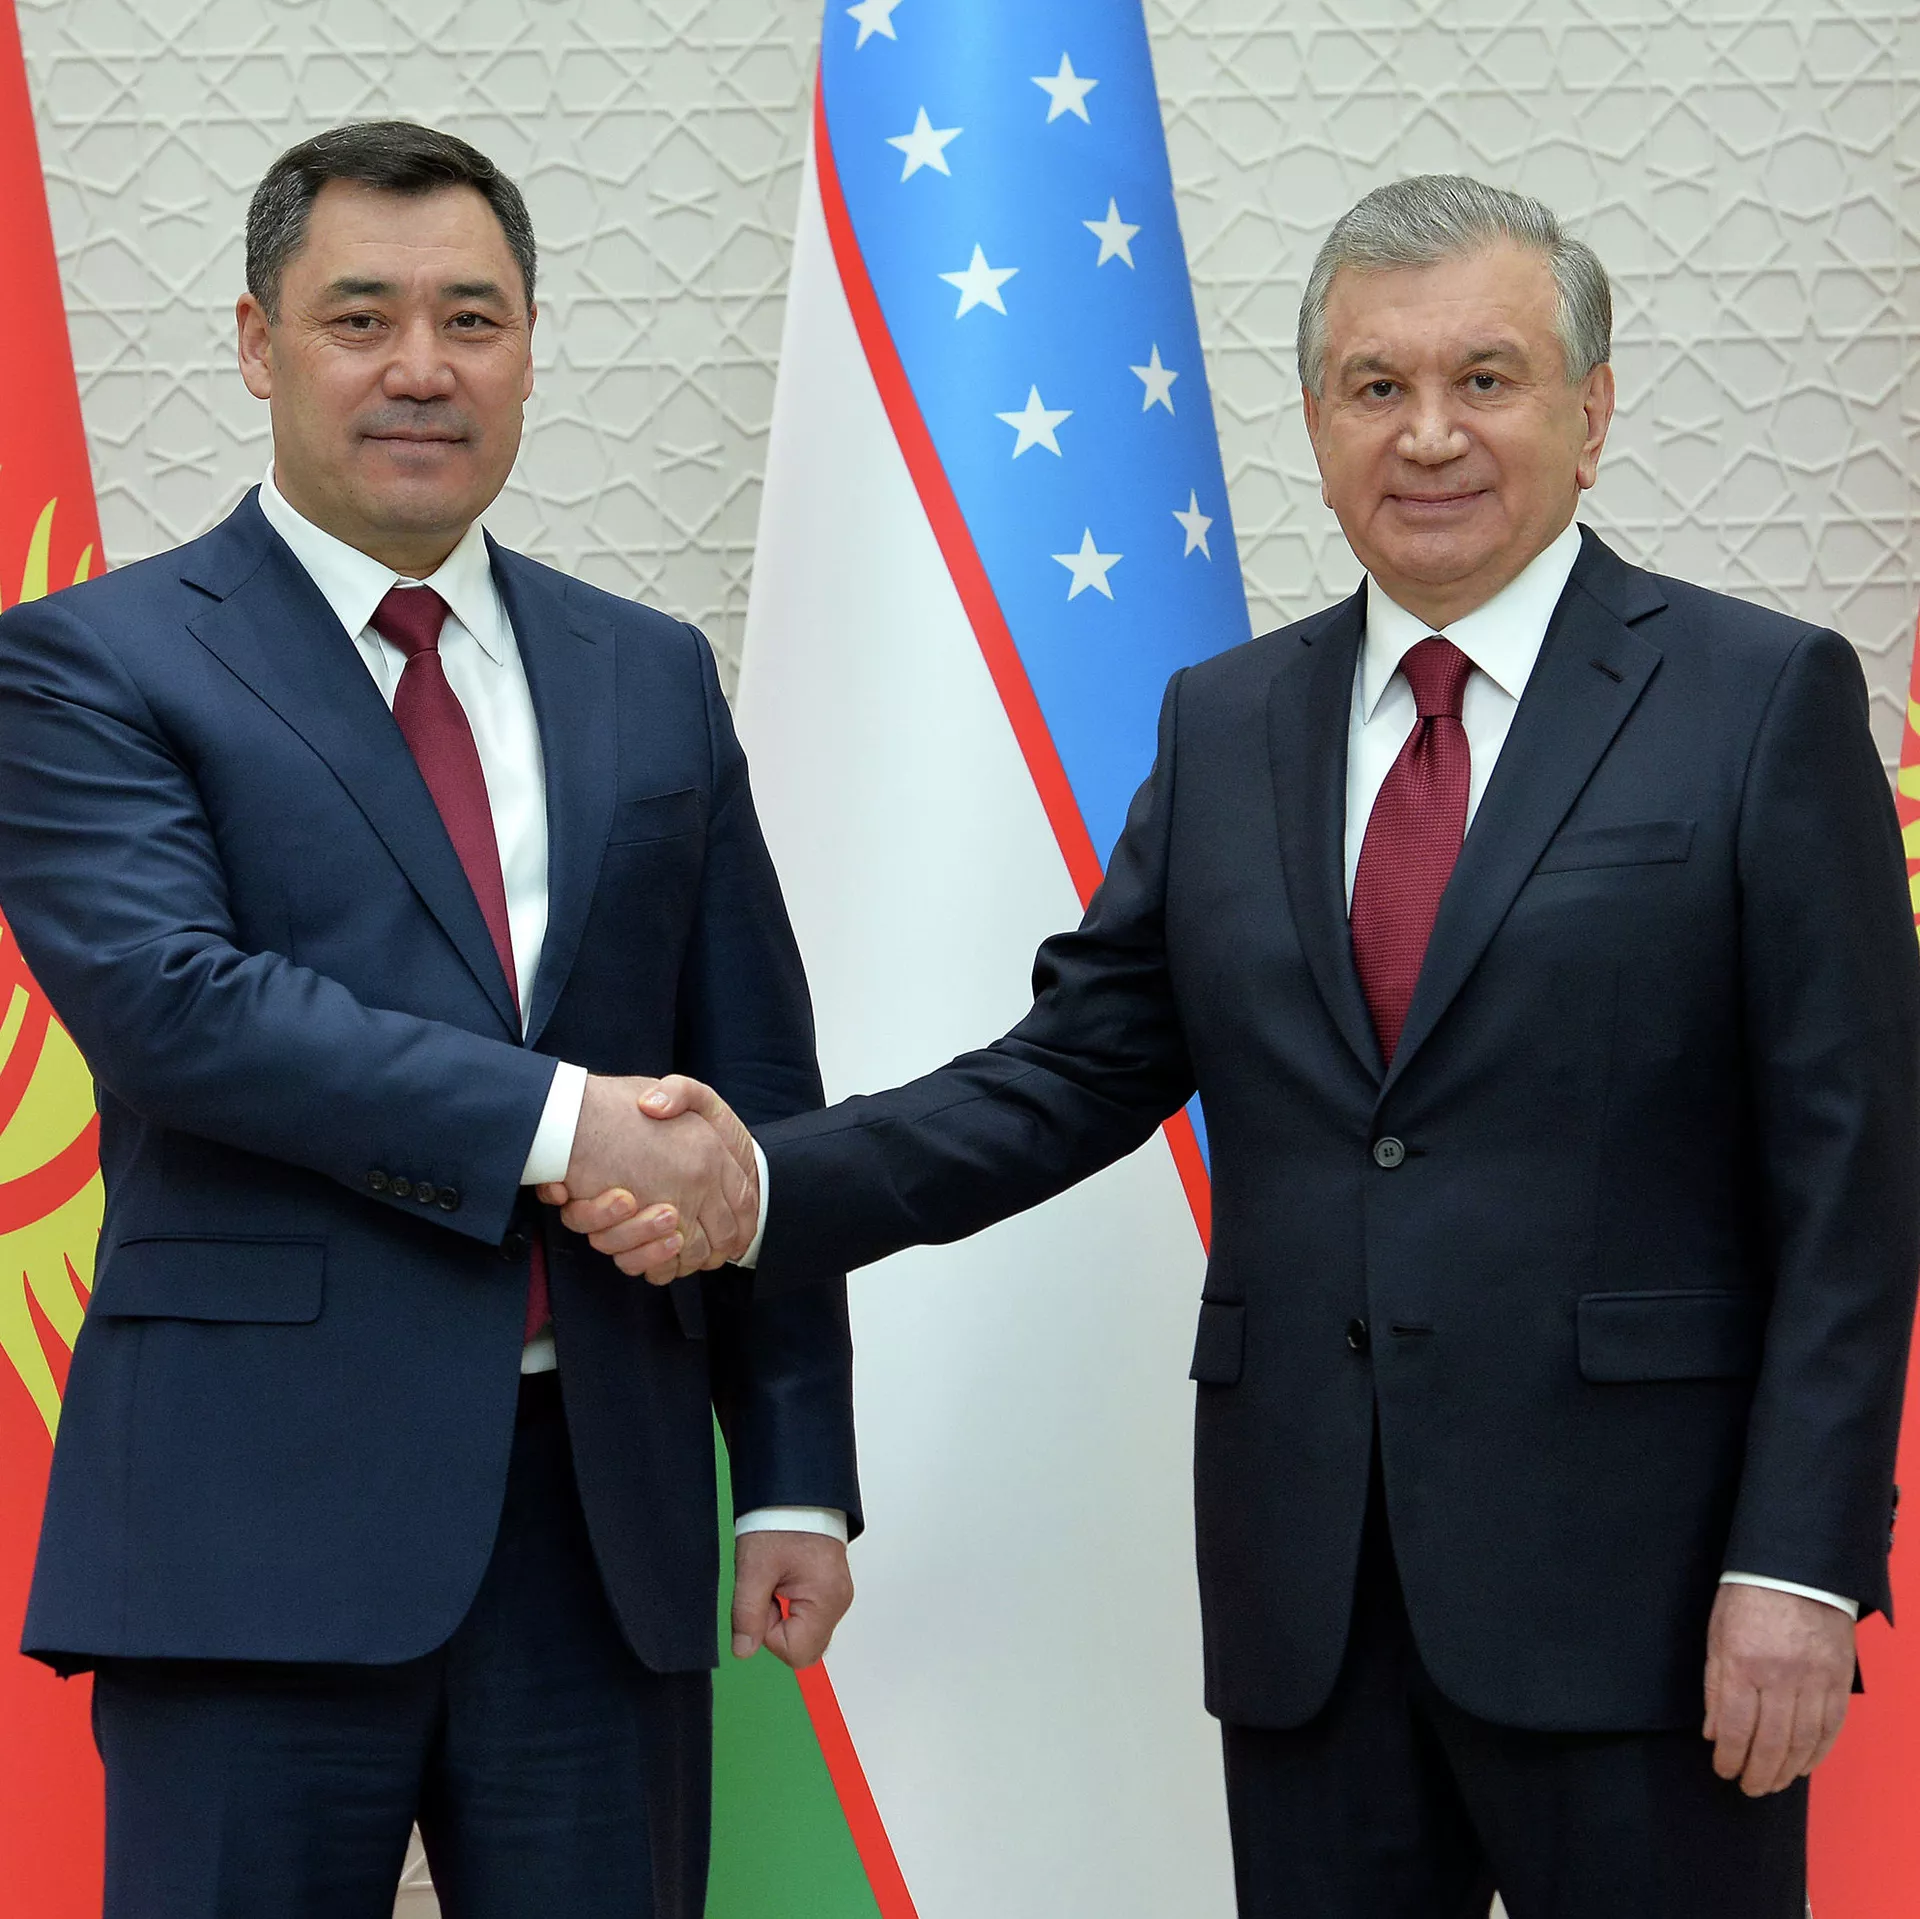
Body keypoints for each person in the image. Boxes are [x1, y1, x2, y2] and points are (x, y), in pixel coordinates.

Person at [554, 176, 1920, 1916]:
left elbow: (1854, 1179)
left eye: (1486, 379)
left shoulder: (1759, 698)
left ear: (1591, 413)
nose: (1429, 433)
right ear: (1318, 424)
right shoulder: (1229, 720)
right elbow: (1066, 1072)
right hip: (1312, 1600)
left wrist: (1799, 1561)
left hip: (1649, 1598)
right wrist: (755, 1179)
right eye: (1375, 385)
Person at [0, 121, 858, 1919]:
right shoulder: (90, 661)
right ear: (259, 345)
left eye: (472, 319)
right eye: (360, 317)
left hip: (604, 1530)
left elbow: (752, 1089)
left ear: (529, 351)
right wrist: (566, 1126)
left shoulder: (648, 671)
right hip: (250, 1532)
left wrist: (792, 1471)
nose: (421, 366)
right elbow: (176, 1008)